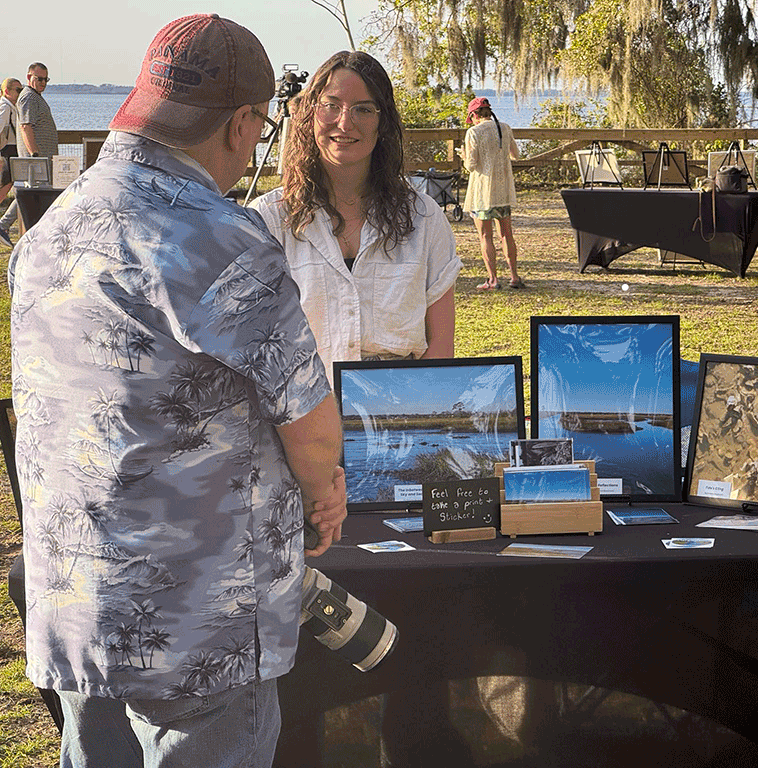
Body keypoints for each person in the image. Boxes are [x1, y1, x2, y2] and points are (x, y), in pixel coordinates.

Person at [9, 14, 346, 768]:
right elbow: (315, 434)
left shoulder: (50, 228)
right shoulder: (222, 238)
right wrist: (323, 491)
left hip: (73, 601)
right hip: (197, 621)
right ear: (242, 125)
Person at [250, 50, 459, 366]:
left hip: (400, 409)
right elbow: (251, 349)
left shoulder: (425, 219)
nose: (345, 122)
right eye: (331, 105)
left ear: (382, 122)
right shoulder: (266, 220)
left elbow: (441, 348)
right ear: (310, 114)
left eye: (363, 109)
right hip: (299, 410)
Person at [463, 96, 524, 291]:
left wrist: (464, 156)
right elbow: (516, 154)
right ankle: (514, 276)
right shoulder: (504, 128)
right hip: (503, 190)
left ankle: (493, 279)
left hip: (483, 191)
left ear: (474, 115)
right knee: (507, 234)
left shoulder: (474, 132)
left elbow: (471, 165)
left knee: (485, 236)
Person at [0, 63, 59, 242]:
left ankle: (7, 226)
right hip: (36, 159)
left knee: (31, 193)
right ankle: (6, 225)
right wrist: (34, 155)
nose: (42, 82)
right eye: (38, 78)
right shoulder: (29, 98)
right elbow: (25, 127)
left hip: (42, 158)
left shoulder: (35, 96)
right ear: (28, 78)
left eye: (45, 79)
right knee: (31, 193)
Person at [0, 77, 22, 247]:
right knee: (6, 186)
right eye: (17, 89)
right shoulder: (5, 106)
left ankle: (4, 226)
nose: (20, 93)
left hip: (12, 150)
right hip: (9, 150)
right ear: (7, 91)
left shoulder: (11, 106)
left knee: (10, 185)